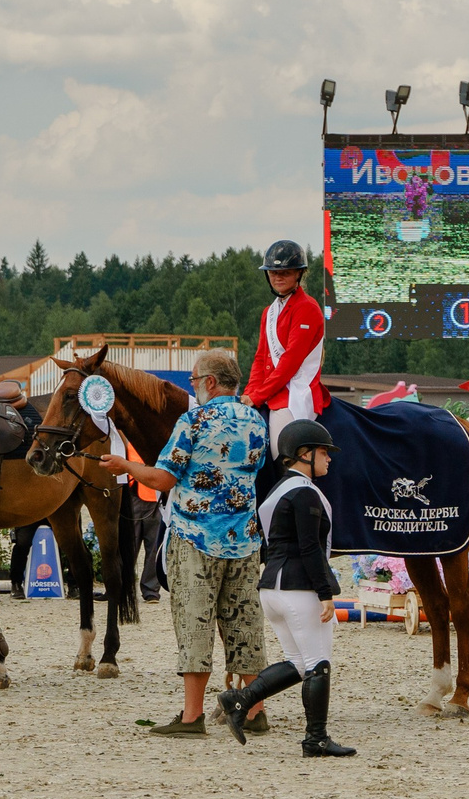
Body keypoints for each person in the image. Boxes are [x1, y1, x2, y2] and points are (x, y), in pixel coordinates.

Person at [100, 348, 268, 738]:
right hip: (243, 538)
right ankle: (256, 708)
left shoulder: (193, 420)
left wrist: (125, 466)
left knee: (195, 624)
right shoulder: (256, 421)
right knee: (243, 622)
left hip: (197, 536)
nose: (192, 387)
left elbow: (162, 479)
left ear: (210, 383)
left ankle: (192, 716)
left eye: (193, 381)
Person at [215, 418, 356, 758]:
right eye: (324, 452)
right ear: (304, 454)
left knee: (298, 663)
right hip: (298, 589)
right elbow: (309, 547)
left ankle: (240, 699)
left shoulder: (274, 492)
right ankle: (315, 739)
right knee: (319, 664)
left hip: (271, 589)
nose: (329, 459)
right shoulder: (304, 491)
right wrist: (325, 592)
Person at [242, 238, 329, 441]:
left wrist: (257, 396)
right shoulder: (269, 312)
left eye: (285, 273)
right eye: (273, 272)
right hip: (271, 390)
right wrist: (249, 392)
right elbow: (261, 359)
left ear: (299, 273)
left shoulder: (307, 308)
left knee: (281, 447)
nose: (278, 277)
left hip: (296, 392)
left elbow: (290, 362)